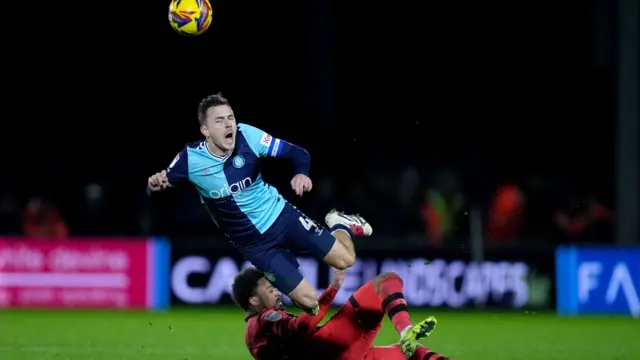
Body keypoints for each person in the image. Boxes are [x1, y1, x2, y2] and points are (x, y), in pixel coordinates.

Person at [147, 93, 372, 315]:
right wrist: (154, 184)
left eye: (230, 117)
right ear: (205, 131)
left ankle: (340, 223)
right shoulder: (189, 159)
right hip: (255, 246)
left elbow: (297, 153)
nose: (229, 125)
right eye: (220, 120)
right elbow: (157, 185)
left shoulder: (248, 136)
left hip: (283, 217)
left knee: (346, 260)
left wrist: (301, 174)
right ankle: (283, 296)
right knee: (310, 303)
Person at [233, 266, 451, 360]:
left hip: (342, 355)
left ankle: (407, 336)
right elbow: (301, 327)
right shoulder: (264, 319)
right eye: (271, 290)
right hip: (334, 349)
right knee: (386, 282)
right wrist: (333, 288)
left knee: (409, 354)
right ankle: (405, 330)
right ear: (253, 300)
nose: (278, 293)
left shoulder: (252, 335)